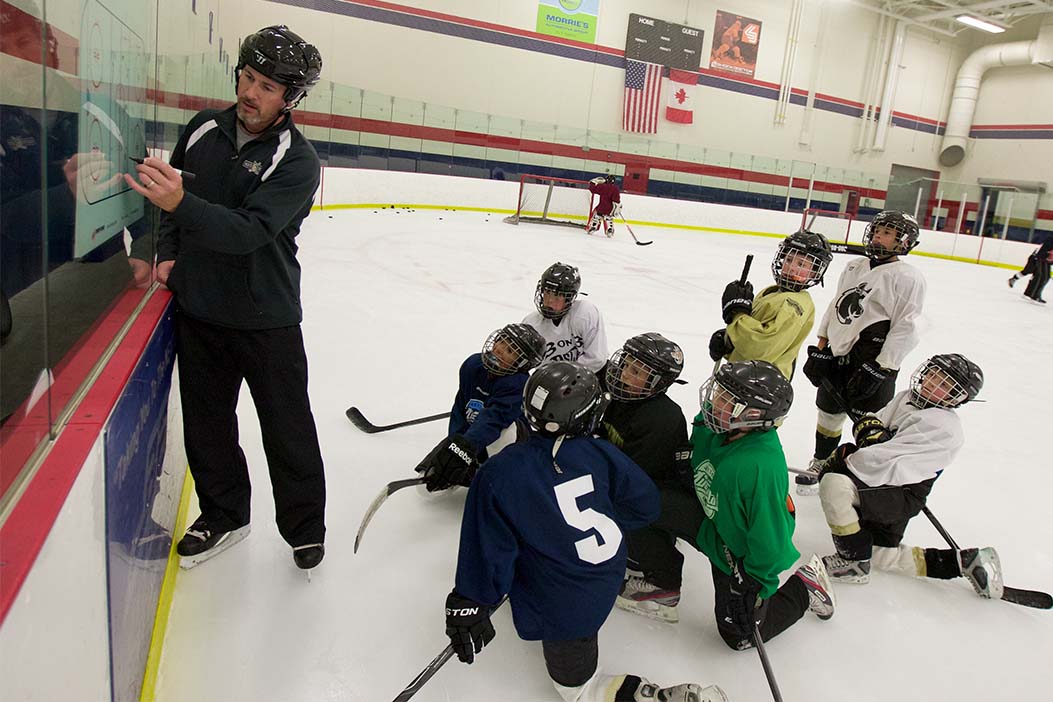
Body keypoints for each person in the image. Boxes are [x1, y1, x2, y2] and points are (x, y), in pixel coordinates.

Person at [123, 26, 327, 570]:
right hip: (200, 310)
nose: (251, 92)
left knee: (288, 430)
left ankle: (305, 528)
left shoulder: (298, 160)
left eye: (266, 86)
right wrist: (167, 252)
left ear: (291, 98)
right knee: (208, 426)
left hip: (267, 317)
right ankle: (224, 514)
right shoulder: (203, 128)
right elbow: (169, 201)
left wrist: (180, 204)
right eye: (247, 77)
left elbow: (248, 231)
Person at [443, 361, 728, 702]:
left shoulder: (498, 472)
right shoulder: (602, 452)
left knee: (577, 690)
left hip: (566, 608)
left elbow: (487, 549)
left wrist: (470, 601)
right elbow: (646, 506)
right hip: (608, 575)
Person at [619, 360, 835, 650]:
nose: (713, 401)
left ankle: (806, 588)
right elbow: (699, 455)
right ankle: (663, 584)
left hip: (736, 551)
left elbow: (771, 542)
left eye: (725, 399)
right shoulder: (714, 423)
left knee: (739, 636)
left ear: (754, 415)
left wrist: (754, 578)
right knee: (639, 501)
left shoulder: (758, 468)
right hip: (711, 517)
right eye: (718, 392)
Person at [814, 354, 1003, 598]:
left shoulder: (944, 427)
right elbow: (874, 421)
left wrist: (845, 459)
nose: (933, 383)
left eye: (944, 384)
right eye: (933, 374)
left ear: (957, 397)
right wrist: (870, 432)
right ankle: (963, 562)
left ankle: (855, 564)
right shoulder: (907, 397)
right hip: (883, 482)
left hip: (901, 491)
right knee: (881, 555)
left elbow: (882, 460)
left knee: (834, 486)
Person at [796, 211, 926, 496]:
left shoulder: (908, 277)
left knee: (868, 423)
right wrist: (821, 347)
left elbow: (907, 325)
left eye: (888, 232)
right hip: (838, 353)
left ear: (904, 242)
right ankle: (822, 461)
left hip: (871, 359)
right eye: (877, 230)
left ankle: (861, 477)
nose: (878, 235)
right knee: (828, 412)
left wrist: (882, 367)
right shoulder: (855, 266)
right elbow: (836, 305)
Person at [595, 333, 690, 623]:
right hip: (635, 481)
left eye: (637, 371)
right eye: (627, 364)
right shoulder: (623, 396)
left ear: (659, 383)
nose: (624, 373)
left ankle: (663, 582)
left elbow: (631, 478)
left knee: (628, 504)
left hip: (658, 493)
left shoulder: (662, 417)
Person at [416, 323, 547, 492]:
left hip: (508, 435)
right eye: (502, 341)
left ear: (522, 364)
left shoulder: (517, 384)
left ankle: (501, 476)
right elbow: (460, 407)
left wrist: (466, 449)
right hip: (476, 431)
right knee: (426, 485)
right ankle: (470, 466)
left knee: (506, 431)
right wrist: (455, 444)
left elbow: (494, 420)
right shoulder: (473, 364)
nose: (499, 349)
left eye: (510, 351)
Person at [709, 230, 833, 380]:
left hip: (760, 385)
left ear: (815, 273)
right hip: (745, 375)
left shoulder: (793, 306)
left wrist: (737, 315)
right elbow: (752, 333)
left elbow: (759, 348)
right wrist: (728, 340)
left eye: (802, 264)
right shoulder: (773, 292)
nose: (792, 267)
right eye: (788, 260)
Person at [523, 262, 609, 373]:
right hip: (549, 382)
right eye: (547, 292)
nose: (549, 300)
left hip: (589, 375)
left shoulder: (584, 313)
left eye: (558, 295)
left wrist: (562, 376)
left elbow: (596, 359)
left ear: (570, 298)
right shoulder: (531, 324)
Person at [1007, 237, 1053, 304]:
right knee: (1029, 272)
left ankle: (1029, 293)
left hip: (1040, 258)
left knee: (1038, 276)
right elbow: (1042, 251)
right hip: (1036, 258)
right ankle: (1031, 293)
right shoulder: (1049, 241)